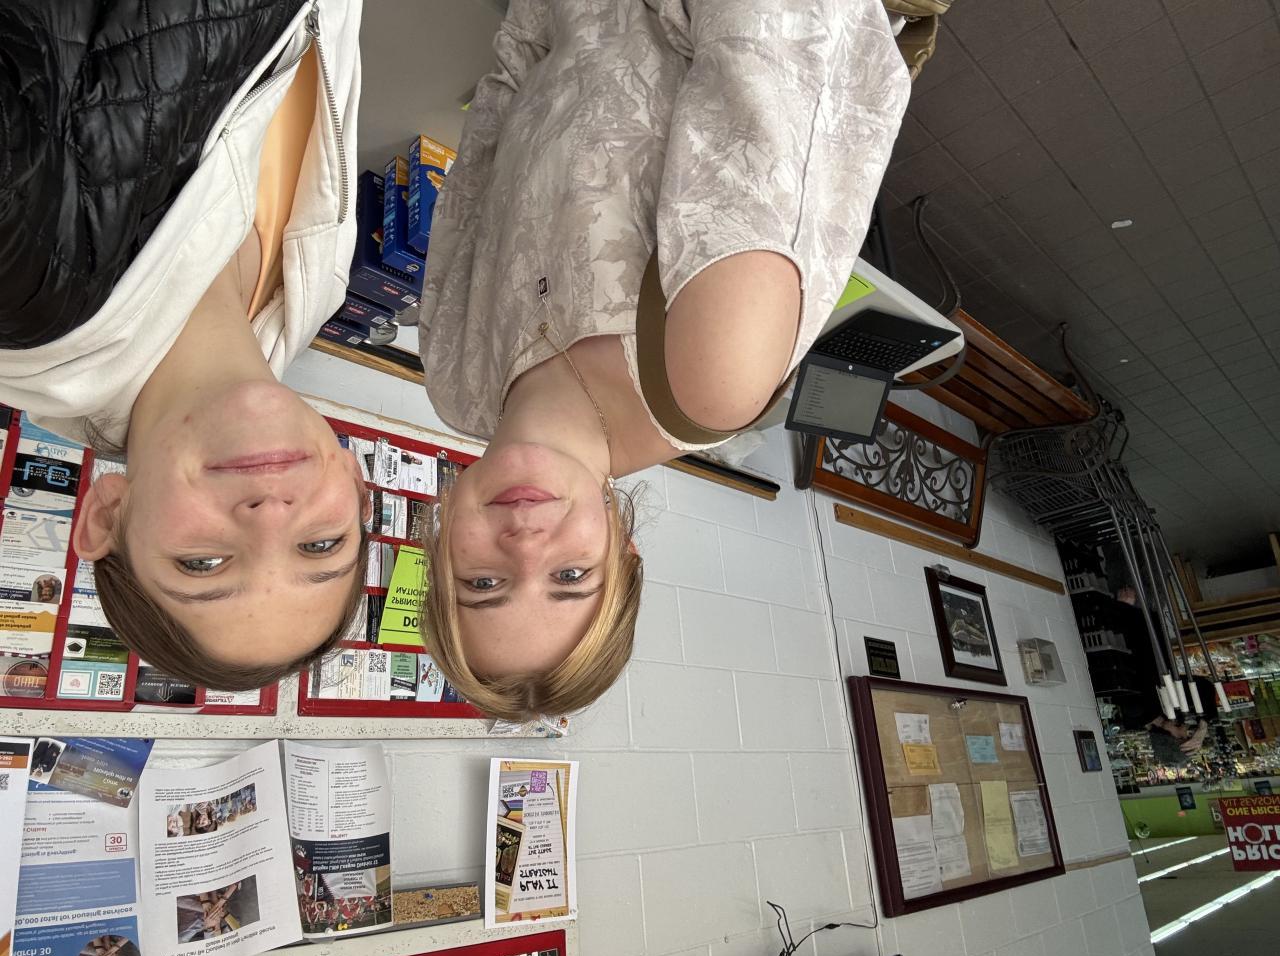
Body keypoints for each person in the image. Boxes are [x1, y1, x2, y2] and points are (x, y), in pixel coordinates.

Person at [418, 0, 911, 720]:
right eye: (569, 576)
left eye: (484, 584)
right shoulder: (709, 377)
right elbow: (778, 37)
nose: (524, 547)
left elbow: (489, 140)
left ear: (439, 555)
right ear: (623, 550)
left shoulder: (456, 380)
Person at [0, 0, 368, 691]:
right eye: (321, 545)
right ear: (355, 487)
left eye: (203, 563)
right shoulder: (312, 292)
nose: (270, 517)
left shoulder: (27, 288)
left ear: (107, 516)